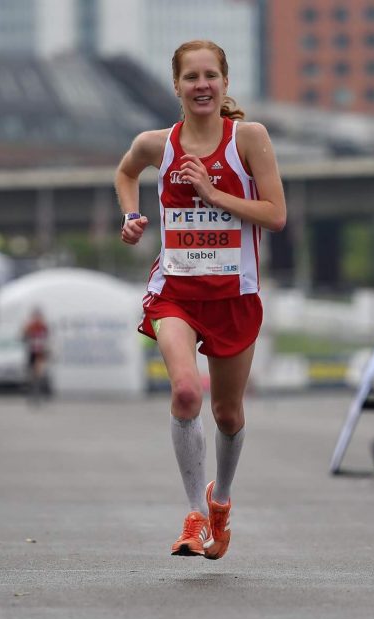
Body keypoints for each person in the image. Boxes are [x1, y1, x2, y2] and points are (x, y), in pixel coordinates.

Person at [115, 40, 286, 558]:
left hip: (234, 295)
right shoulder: (155, 144)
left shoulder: (248, 139)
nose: (202, 85)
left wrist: (213, 195)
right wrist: (130, 215)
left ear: (226, 83)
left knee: (228, 414)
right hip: (177, 294)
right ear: (177, 86)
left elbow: (276, 214)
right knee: (186, 393)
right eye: (191, 77)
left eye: (211, 76)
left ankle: (221, 503)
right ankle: (193, 515)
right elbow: (125, 173)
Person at [22, 309, 50, 399]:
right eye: (35, 317)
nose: (37, 318)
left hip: (41, 352)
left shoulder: (43, 327)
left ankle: (39, 390)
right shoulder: (30, 326)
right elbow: (23, 337)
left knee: (39, 372)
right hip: (32, 352)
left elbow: (47, 339)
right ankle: (32, 390)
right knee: (31, 373)